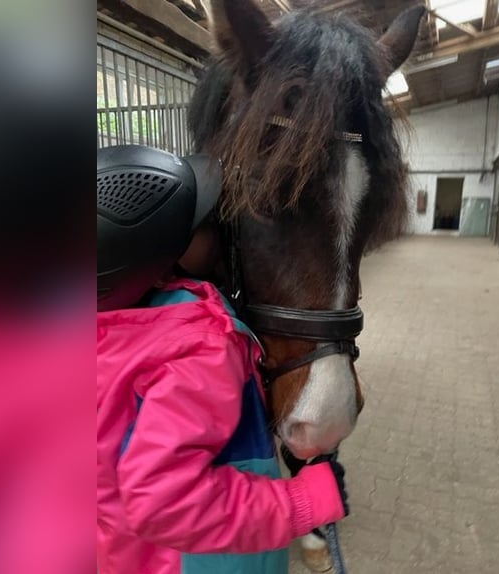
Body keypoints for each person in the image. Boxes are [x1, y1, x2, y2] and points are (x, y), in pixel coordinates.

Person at [96, 145, 348, 574]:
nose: (223, 226)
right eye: (204, 224)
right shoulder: (200, 346)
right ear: (162, 262)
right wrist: (305, 500)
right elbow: (164, 500)